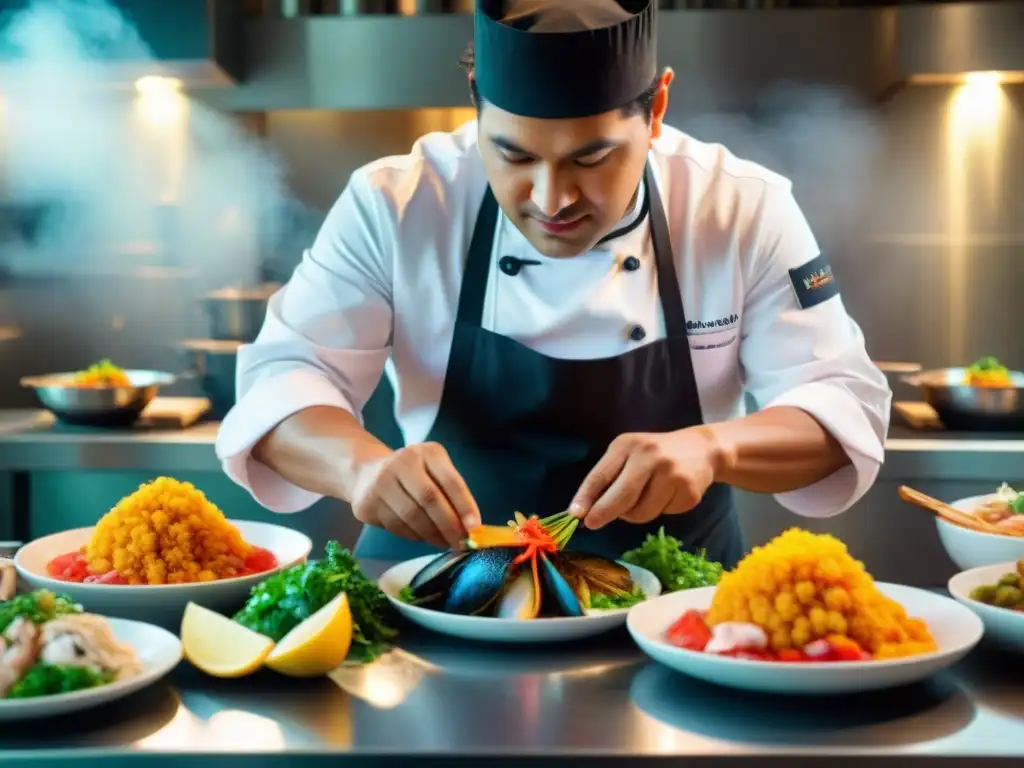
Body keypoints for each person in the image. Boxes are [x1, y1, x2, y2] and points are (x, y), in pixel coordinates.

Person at [215, 0, 891, 568]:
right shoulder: (396, 202)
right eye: (513, 154)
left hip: (678, 618)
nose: (551, 197)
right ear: (476, 106)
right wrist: (360, 467)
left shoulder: (739, 208)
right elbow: (283, 382)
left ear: (656, 108)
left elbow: (842, 408)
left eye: (591, 157)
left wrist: (716, 447)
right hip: (431, 597)